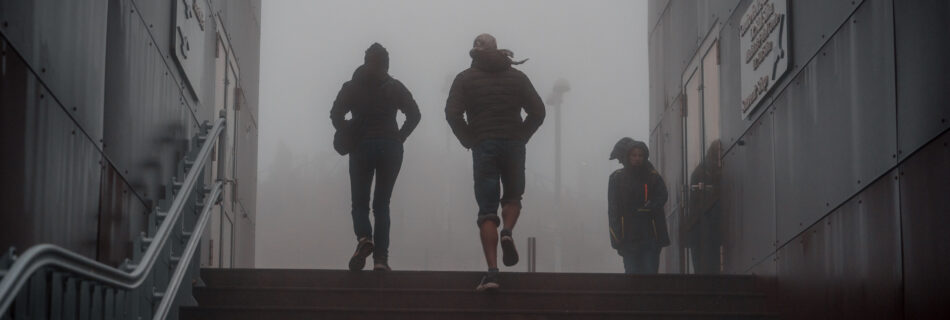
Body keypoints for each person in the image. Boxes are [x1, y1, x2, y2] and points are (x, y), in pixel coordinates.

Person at [445, 33, 545, 291]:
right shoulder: (517, 77)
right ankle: (508, 231)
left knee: (487, 211)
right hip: (513, 142)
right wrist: (521, 135)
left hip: (484, 144)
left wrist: (469, 139)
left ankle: (492, 273)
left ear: (475, 52)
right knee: (513, 197)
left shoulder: (464, 79)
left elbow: (452, 113)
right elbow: (538, 111)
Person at [330, 43, 421, 272]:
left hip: (361, 146)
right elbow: (415, 114)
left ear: (365, 61)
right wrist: (400, 137)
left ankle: (364, 238)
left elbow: (335, 114)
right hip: (390, 146)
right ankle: (381, 260)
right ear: (386, 64)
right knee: (382, 205)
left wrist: (348, 130)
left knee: (359, 202)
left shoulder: (351, 87)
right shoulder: (395, 87)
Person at [607, 137, 670, 274]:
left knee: (649, 274)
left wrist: (651, 206)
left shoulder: (653, 176)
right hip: (628, 238)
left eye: (640, 155)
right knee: (632, 276)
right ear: (628, 156)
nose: (637, 158)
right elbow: (613, 211)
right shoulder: (616, 178)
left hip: (650, 236)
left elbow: (662, 195)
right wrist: (617, 239)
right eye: (634, 155)